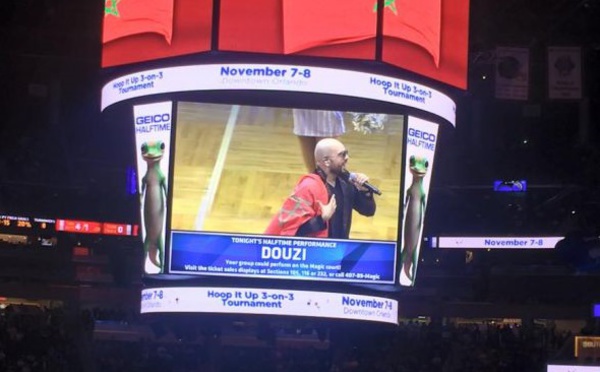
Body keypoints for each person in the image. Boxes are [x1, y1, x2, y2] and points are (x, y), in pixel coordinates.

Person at [265, 138, 376, 239]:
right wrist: (322, 218)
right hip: (315, 254)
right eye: (342, 155)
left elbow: (368, 211)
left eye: (346, 153)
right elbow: (295, 231)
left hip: (339, 250)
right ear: (326, 161)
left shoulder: (346, 182)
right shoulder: (307, 188)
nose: (347, 158)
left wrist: (364, 191)